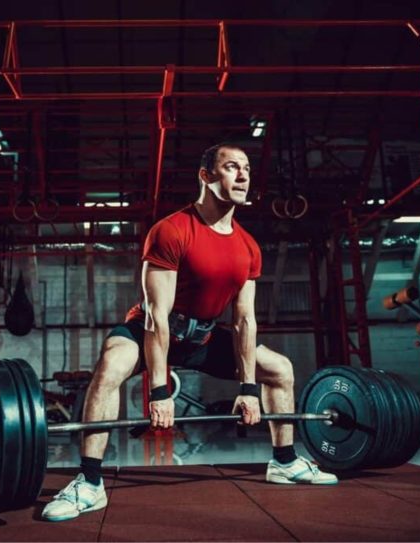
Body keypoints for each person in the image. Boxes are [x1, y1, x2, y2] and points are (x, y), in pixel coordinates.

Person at [42, 143, 337, 522]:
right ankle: (90, 482)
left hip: (205, 338)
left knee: (279, 370)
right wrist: (160, 392)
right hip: (149, 331)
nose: (244, 175)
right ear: (206, 176)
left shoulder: (248, 246)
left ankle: (283, 461)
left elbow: (245, 321)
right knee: (111, 365)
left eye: (246, 168)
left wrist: (248, 389)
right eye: (232, 167)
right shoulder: (171, 230)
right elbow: (156, 317)